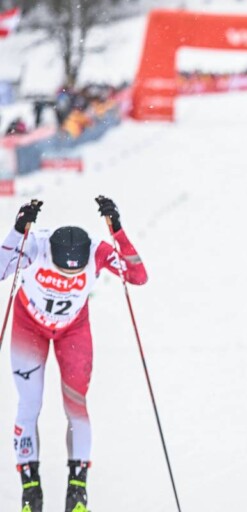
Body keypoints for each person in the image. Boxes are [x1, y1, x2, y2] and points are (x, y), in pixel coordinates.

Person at [1, 197, 148, 512]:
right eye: (60, 274)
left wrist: (117, 230)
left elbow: (138, 275)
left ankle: (77, 492)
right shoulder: (36, 245)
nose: (67, 282)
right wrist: (16, 230)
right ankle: (31, 492)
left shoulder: (97, 250)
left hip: (72, 330)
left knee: (76, 406)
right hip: (30, 328)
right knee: (29, 405)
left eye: (75, 276)